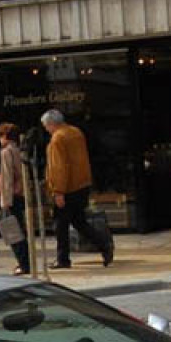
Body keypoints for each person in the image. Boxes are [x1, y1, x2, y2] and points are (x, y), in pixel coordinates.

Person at [40, 109, 112, 270]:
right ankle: (103, 244)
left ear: (52, 124)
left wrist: (58, 191)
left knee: (61, 225)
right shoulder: (76, 132)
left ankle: (63, 259)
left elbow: (58, 167)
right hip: (81, 185)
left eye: (46, 126)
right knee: (79, 221)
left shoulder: (57, 139)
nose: (46, 129)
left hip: (67, 188)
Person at [0, 122, 30, 275]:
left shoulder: (6, 152)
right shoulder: (18, 150)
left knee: (12, 231)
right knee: (18, 230)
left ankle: (23, 263)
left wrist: (5, 201)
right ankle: (25, 262)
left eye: (0, 136)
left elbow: (7, 178)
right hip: (19, 194)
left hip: (11, 196)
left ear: (4, 136)